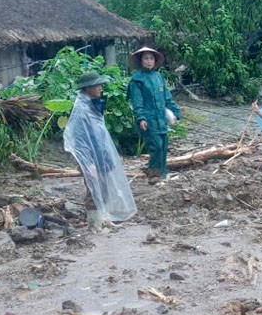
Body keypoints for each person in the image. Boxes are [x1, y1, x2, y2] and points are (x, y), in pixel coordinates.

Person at [64, 72, 136, 226]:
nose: (100, 88)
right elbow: (80, 139)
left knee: (103, 187)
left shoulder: (92, 105)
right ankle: (94, 224)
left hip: (100, 154)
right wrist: (89, 163)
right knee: (93, 188)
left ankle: (103, 218)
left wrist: (107, 158)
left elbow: (99, 134)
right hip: (90, 158)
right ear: (88, 88)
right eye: (97, 85)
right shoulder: (81, 109)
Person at [127, 46, 181, 181]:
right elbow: (137, 103)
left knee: (163, 145)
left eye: (151, 58)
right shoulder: (137, 80)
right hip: (149, 120)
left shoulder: (159, 77)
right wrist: (141, 118)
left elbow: (167, 99)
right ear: (141, 61)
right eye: (146, 58)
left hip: (161, 119)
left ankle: (163, 174)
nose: (149, 61)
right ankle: (154, 174)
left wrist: (176, 112)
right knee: (155, 146)